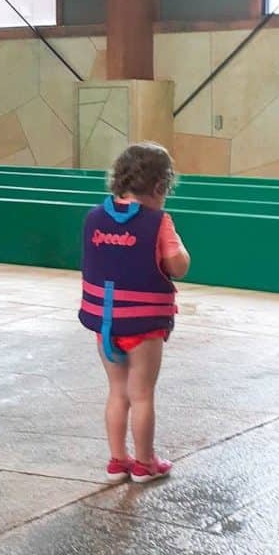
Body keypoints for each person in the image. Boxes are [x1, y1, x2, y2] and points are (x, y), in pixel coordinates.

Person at [79, 142, 191, 484]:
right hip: (143, 326)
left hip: (105, 324)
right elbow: (179, 265)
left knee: (117, 391)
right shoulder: (159, 222)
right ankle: (145, 464)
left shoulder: (95, 216)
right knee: (141, 394)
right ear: (160, 187)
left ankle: (117, 460)